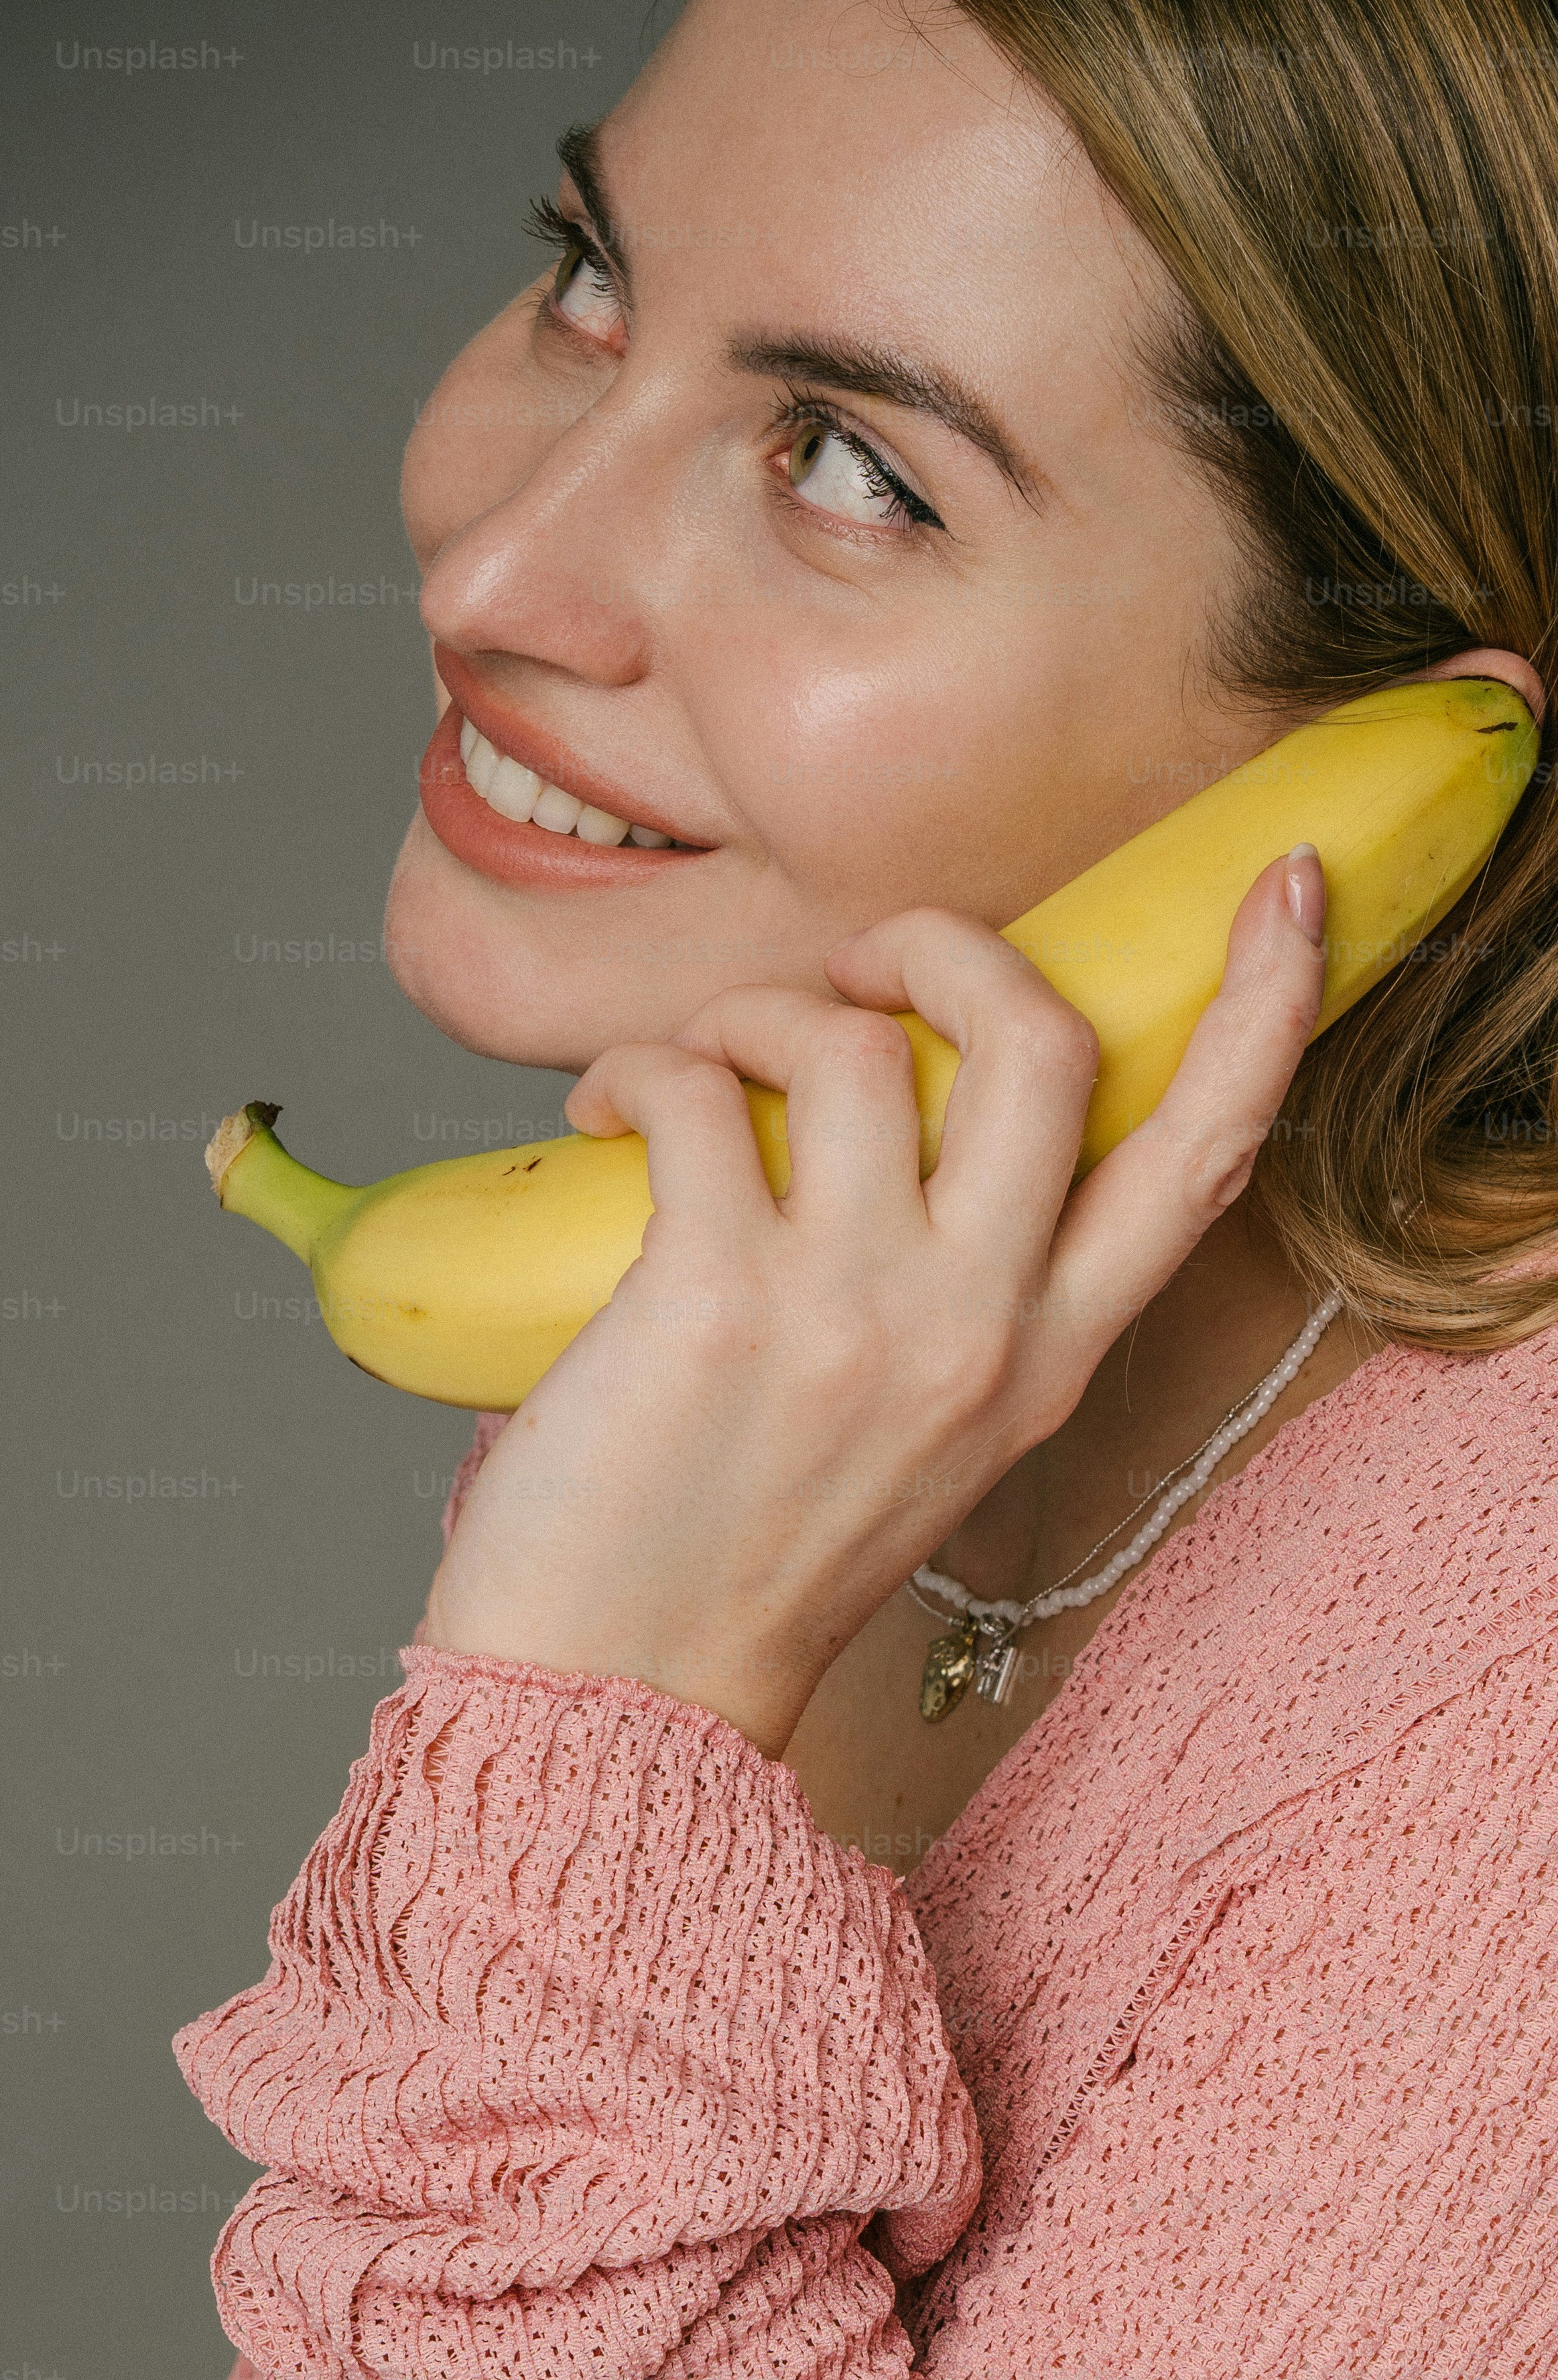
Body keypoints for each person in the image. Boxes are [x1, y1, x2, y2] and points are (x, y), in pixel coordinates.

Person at [178, 1, 1558, 2371]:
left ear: (1362, 768)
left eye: (848, 465)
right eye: (588, 276)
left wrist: (607, 1704)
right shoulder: (806, 1307)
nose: (498, 562)